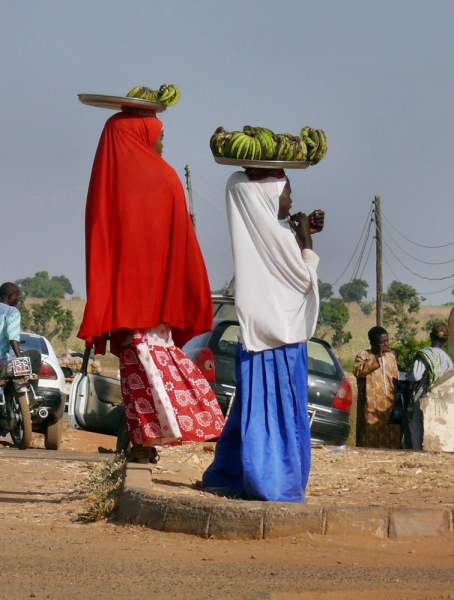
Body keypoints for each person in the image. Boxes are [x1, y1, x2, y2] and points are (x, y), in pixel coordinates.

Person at [77, 108, 224, 461]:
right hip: (156, 304)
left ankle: (183, 432)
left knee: (140, 367)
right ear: (140, 136)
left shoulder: (108, 181)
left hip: (127, 306)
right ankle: (146, 443)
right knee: (148, 366)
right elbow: (182, 243)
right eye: (158, 135)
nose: (161, 142)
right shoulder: (164, 178)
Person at [201, 169, 323, 502]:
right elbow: (303, 281)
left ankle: (227, 475)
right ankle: (274, 484)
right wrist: (307, 243)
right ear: (268, 196)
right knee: (278, 416)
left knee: (252, 411)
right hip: (283, 344)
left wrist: (298, 232)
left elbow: (236, 183)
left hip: (254, 342)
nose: (291, 200)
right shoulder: (282, 239)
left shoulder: (255, 231)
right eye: (287, 192)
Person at [402, 322, 454, 450]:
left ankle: (417, 450)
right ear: (445, 341)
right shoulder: (447, 359)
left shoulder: (424, 354)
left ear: (431, 336)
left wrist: (407, 376)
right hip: (442, 397)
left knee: (416, 425)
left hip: (423, 393)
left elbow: (416, 376)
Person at [354, 326, 402, 448]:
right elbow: (358, 372)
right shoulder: (364, 356)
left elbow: (397, 380)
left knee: (392, 439)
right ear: (372, 343)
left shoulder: (391, 357)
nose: (385, 345)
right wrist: (376, 357)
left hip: (389, 408)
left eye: (387, 341)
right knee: (369, 439)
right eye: (381, 342)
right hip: (370, 407)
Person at [0, 282, 42, 402]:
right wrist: (19, 358)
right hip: (5, 360)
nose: (18, 299)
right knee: (35, 356)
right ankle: (31, 396)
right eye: (17, 296)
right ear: (9, 296)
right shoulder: (12, 312)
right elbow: (13, 337)